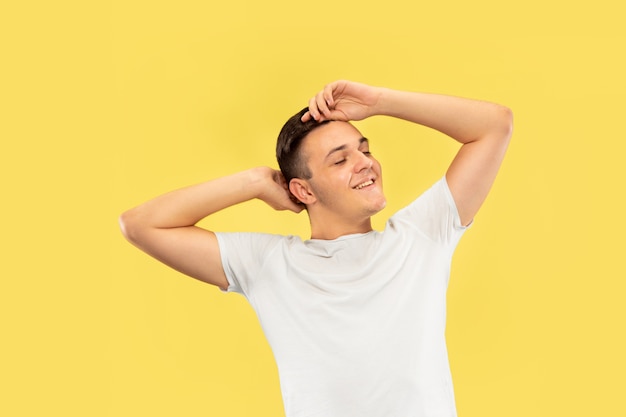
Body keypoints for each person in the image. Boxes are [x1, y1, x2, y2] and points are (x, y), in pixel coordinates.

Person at [119, 80, 513, 417]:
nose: (365, 163)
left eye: (365, 149)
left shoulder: (421, 236)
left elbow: (495, 125)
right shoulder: (268, 265)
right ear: (303, 190)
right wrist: (255, 182)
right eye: (340, 160)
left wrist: (379, 102)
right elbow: (140, 224)